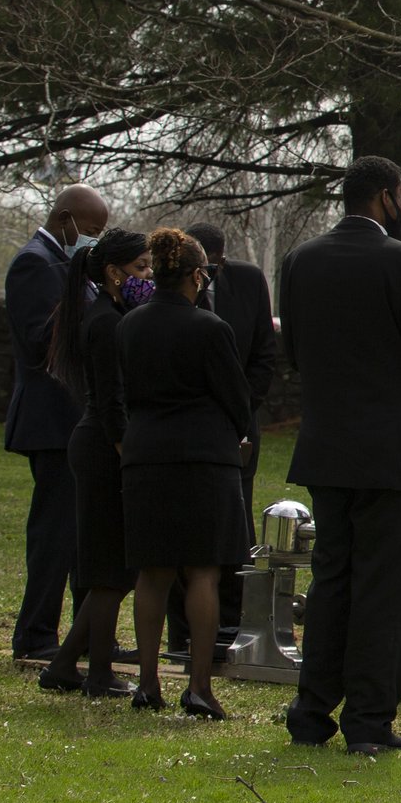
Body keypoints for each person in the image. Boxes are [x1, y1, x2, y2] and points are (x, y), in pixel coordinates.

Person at [280, 156, 401, 754]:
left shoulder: (300, 261)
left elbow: (295, 352)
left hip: (328, 445)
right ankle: (369, 719)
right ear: (385, 197)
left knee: (332, 579)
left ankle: (311, 710)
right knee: (383, 587)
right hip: (391, 449)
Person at [115, 227, 253, 720]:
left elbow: (126, 392)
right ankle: (198, 687)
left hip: (147, 452)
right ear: (197, 276)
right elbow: (236, 399)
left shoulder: (130, 325)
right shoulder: (210, 329)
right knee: (202, 572)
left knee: (152, 572)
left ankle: (147, 683)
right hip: (203, 456)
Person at [38, 228, 151, 698]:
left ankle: (67, 665)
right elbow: (110, 400)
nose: (147, 276)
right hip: (105, 448)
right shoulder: (106, 321)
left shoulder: (116, 314)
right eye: (140, 268)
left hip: (103, 443)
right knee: (109, 570)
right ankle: (95, 670)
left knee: (114, 570)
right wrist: (127, 454)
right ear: (112, 273)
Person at [3, 182, 112, 661]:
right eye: (90, 231)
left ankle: (84, 635)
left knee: (81, 533)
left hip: (77, 418)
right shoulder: (35, 263)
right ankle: (36, 636)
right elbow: (40, 340)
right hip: (52, 419)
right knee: (54, 532)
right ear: (64, 218)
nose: (92, 239)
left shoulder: (70, 266)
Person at [173, 222, 279, 654]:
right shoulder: (173, 296)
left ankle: (233, 621)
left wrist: (241, 407)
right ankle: (183, 628)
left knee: (237, 523)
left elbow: (262, 354)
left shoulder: (249, 281)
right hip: (189, 425)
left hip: (237, 423)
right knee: (184, 528)